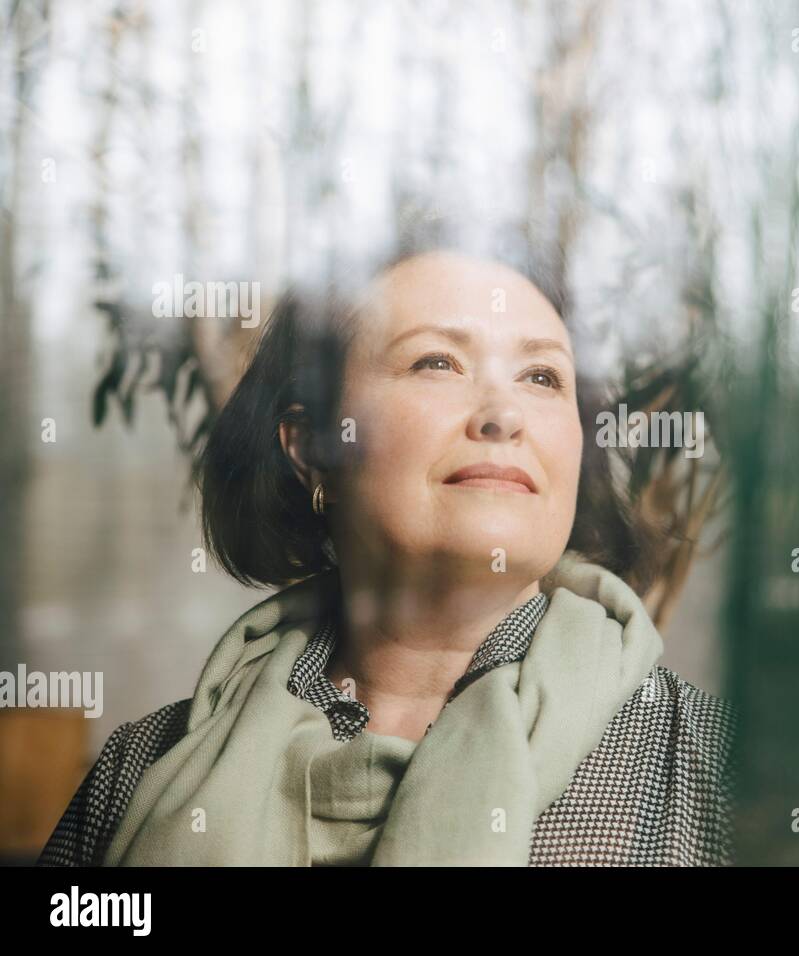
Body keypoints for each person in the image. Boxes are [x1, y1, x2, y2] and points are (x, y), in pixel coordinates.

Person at [36, 233, 737, 866]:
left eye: (542, 377)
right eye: (438, 362)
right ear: (312, 451)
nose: (503, 413)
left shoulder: (712, 768)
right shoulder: (136, 777)